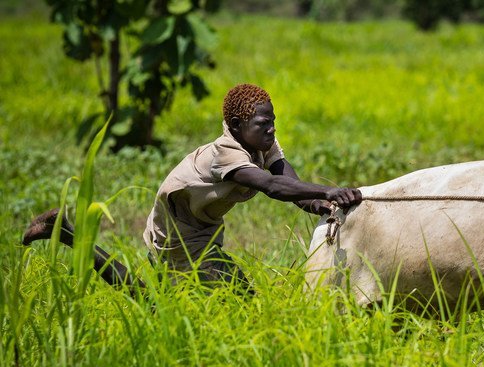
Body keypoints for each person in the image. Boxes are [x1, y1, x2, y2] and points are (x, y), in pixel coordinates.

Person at [22, 83, 362, 291]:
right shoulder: (226, 154)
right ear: (236, 125)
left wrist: (316, 203)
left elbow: (288, 180)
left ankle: (66, 232)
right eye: (264, 124)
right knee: (232, 293)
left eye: (273, 122)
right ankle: (66, 233)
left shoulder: (260, 142)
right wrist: (329, 192)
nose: (272, 130)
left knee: (157, 300)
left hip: (202, 224)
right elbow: (272, 186)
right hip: (177, 226)